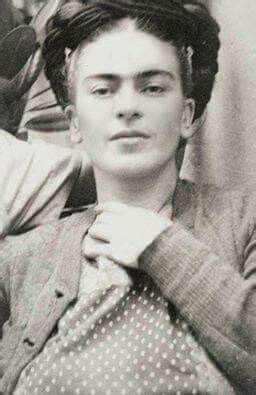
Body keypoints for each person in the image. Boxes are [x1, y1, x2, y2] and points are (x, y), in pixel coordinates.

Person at [0, 0, 255, 393]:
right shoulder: (22, 261)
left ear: (188, 115)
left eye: (152, 87)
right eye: (103, 90)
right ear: (73, 123)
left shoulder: (244, 221)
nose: (127, 108)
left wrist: (164, 249)